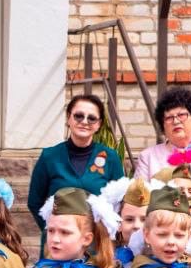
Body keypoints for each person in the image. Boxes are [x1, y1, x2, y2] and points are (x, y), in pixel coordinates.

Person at [27, 95, 125, 238]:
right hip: (57, 243)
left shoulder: (111, 158)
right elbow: (35, 202)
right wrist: (53, 229)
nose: (84, 122)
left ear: (99, 124)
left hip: (96, 243)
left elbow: (120, 202)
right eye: (78, 116)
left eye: (91, 118)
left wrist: (105, 231)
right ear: (69, 118)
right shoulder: (49, 156)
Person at [134, 87, 191, 179]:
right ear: (163, 127)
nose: (176, 121)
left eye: (181, 115)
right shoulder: (148, 157)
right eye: (169, 118)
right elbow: (139, 192)